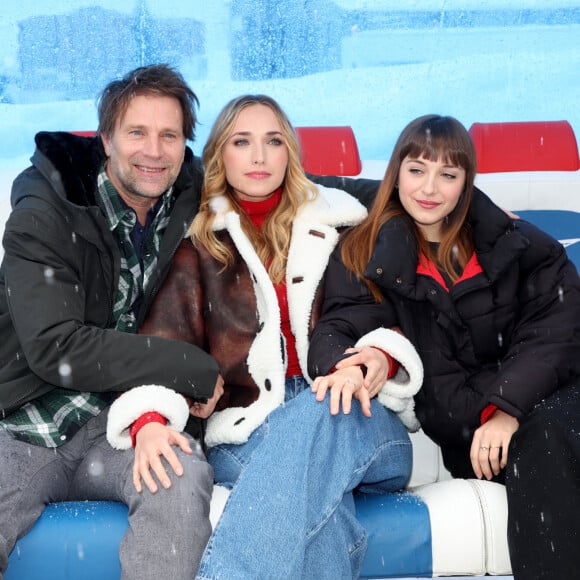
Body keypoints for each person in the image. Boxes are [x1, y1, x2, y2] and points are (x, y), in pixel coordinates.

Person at [107, 94, 425, 579]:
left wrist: (381, 353)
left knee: (325, 405)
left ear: (289, 153)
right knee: (324, 516)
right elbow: (163, 346)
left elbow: (390, 310)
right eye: (242, 142)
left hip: (357, 417)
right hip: (247, 428)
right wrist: (149, 418)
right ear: (220, 156)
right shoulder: (198, 246)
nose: (259, 156)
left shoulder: (342, 225)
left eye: (273, 141)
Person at [308, 114, 580, 580]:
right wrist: (344, 364)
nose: (429, 188)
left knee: (549, 435)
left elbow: (559, 326)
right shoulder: (367, 253)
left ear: (466, 183)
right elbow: (339, 328)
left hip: (547, 401)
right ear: (396, 174)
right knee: (544, 447)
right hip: (473, 435)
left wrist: (507, 407)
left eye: (448, 175)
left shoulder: (512, 242)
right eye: (416, 170)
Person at [0, 64, 224, 580]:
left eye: (169, 135)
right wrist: (188, 366)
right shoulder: (46, 207)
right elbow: (55, 347)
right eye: (136, 133)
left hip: (121, 422)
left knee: (180, 476)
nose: (153, 150)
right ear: (106, 139)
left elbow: (291, 183)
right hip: (24, 420)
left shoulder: (188, 194)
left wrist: (408, 193)